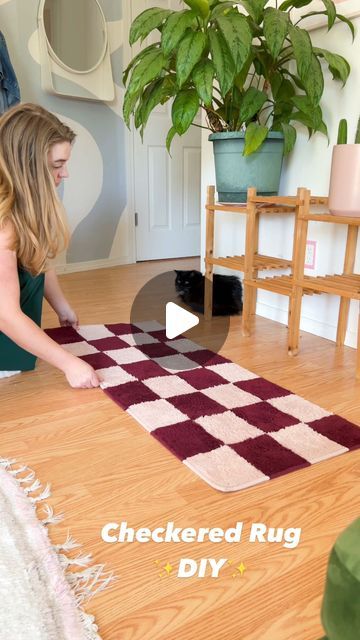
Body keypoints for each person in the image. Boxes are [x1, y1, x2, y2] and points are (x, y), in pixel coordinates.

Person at [0, 102, 100, 388]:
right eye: (58, 165)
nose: (65, 173)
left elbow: (38, 261)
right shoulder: (3, 223)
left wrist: (62, 307)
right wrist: (69, 363)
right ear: (26, 167)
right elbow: (5, 314)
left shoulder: (22, 207)